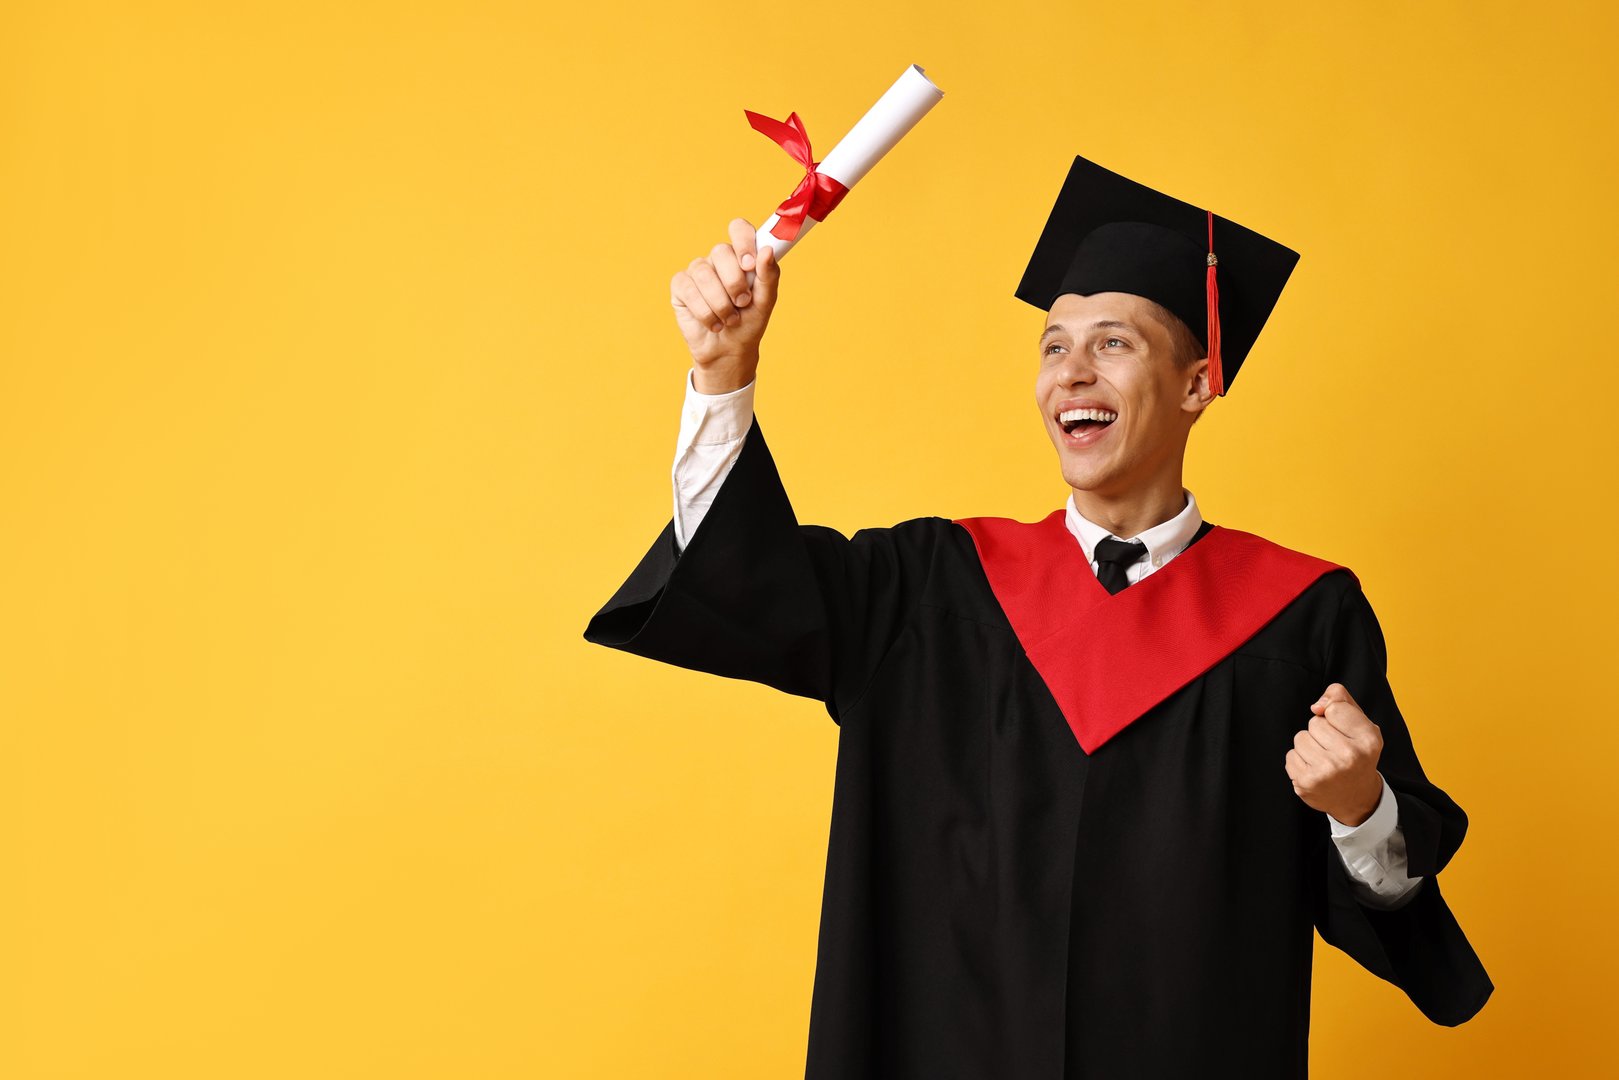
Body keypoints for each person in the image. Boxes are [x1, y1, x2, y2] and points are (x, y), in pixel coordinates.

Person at [583, 155, 1491, 1078]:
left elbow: (1389, 882)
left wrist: (1355, 807)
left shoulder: (1300, 618)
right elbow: (740, 580)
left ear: (1195, 383)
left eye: (1113, 343)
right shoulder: (930, 587)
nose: (1070, 373)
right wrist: (722, 374)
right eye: (1053, 346)